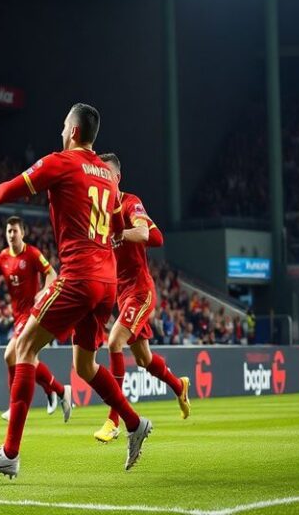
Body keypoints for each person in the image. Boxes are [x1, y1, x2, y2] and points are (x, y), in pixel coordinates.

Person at [0, 103, 151, 477]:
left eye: (63, 124)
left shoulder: (61, 161)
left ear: (72, 131)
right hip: (107, 282)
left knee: (23, 347)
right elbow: (117, 227)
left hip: (79, 277)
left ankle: (9, 453)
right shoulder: (108, 176)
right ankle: (134, 423)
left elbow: (11, 191)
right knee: (84, 366)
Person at [92, 153, 190, 442]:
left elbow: (144, 231)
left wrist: (119, 235)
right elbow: (156, 237)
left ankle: (114, 420)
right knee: (145, 359)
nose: (101, 177)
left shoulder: (129, 202)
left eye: (106, 173)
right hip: (119, 293)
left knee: (114, 341)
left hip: (140, 289)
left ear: (117, 177)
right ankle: (178, 385)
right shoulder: (99, 210)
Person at [0, 216, 72, 422]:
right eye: (8, 231)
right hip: (18, 316)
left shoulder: (32, 254)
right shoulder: (3, 257)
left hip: (33, 314)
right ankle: (59, 390)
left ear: (23, 233)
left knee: (11, 354)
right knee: (26, 359)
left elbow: (52, 273)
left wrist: (44, 291)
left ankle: (15, 406)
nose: (11, 235)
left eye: (15, 231)